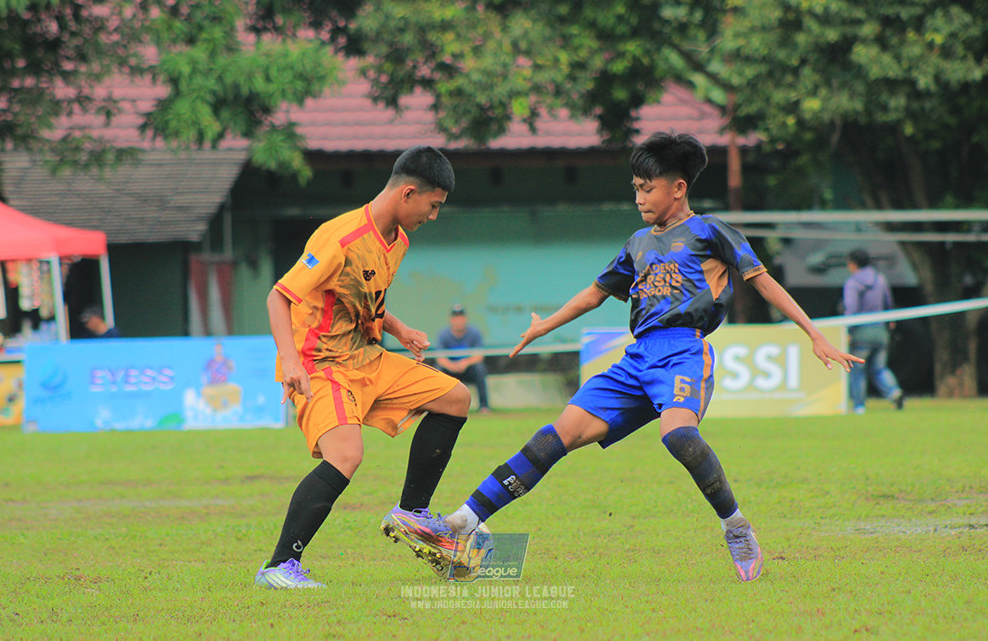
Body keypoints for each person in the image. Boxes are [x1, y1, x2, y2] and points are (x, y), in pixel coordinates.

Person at [400, 131, 862, 584]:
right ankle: (462, 521)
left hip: (684, 351)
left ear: (678, 188)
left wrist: (813, 334)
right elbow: (595, 294)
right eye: (636, 188)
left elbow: (764, 282)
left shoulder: (712, 231)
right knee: (554, 436)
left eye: (648, 188)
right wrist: (545, 325)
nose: (639, 197)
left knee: (679, 436)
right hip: (636, 360)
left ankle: (736, 526)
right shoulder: (637, 243)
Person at [253, 145, 475, 589]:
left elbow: (363, 299)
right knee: (347, 456)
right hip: (322, 365)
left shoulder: (399, 241)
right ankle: (279, 567)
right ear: (408, 193)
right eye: (432, 206)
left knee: (455, 397)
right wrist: (291, 361)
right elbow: (278, 296)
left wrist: (398, 327)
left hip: (367, 357)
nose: (432, 216)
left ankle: (411, 512)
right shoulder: (337, 238)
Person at [843, 248, 904, 413]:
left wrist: (848, 330)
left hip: (861, 333)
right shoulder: (880, 279)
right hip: (880, 332)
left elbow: (851, 308)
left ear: (853, 263)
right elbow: (888, 303)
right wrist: (890, 321)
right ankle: (894, 392)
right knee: (880, 368)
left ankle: (859, 406)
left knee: (857, 369)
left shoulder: (853, 282)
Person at [435, 305, 491, 413]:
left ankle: (484, 406)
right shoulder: (443, 334)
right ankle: (438, 408)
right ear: (451, 319)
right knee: (438, 371)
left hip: (468, 369)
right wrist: (451, 365)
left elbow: (479, 356)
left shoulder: (474, 333)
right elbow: (440, 358)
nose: (458, 320)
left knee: (480, 369)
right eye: (455, 317)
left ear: (465, 318)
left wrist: (465, 363)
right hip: (450, 370)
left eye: (460, 317)